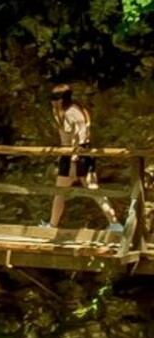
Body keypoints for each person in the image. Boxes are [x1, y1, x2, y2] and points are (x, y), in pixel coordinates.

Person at [48, 84, 119, 230]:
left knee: (85, 189)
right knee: (66, 190)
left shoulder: (71, 112)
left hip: (76, 154)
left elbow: (81, 136)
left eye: (56, 98)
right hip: (72, 153)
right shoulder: (65, 112)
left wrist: (75, 157)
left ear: (63, 99)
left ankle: (115, 224)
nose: (53, 101)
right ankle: (52, 224)